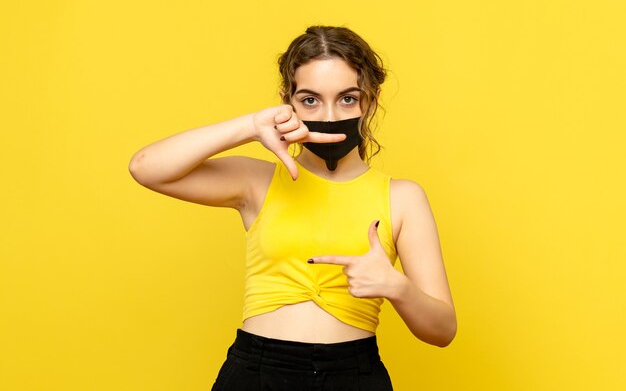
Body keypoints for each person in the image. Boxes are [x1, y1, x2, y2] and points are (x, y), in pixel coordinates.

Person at [128, 25, 456, 390]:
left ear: (370, 100)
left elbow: (442, 331)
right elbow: (146, 168)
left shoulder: (403, 197)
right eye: (310, 100)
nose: (330, 117)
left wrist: (397, 287)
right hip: (258, 372)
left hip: (354, 375)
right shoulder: (257, 182)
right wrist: (252, 125)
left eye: (347, 98)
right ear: (288, 102)